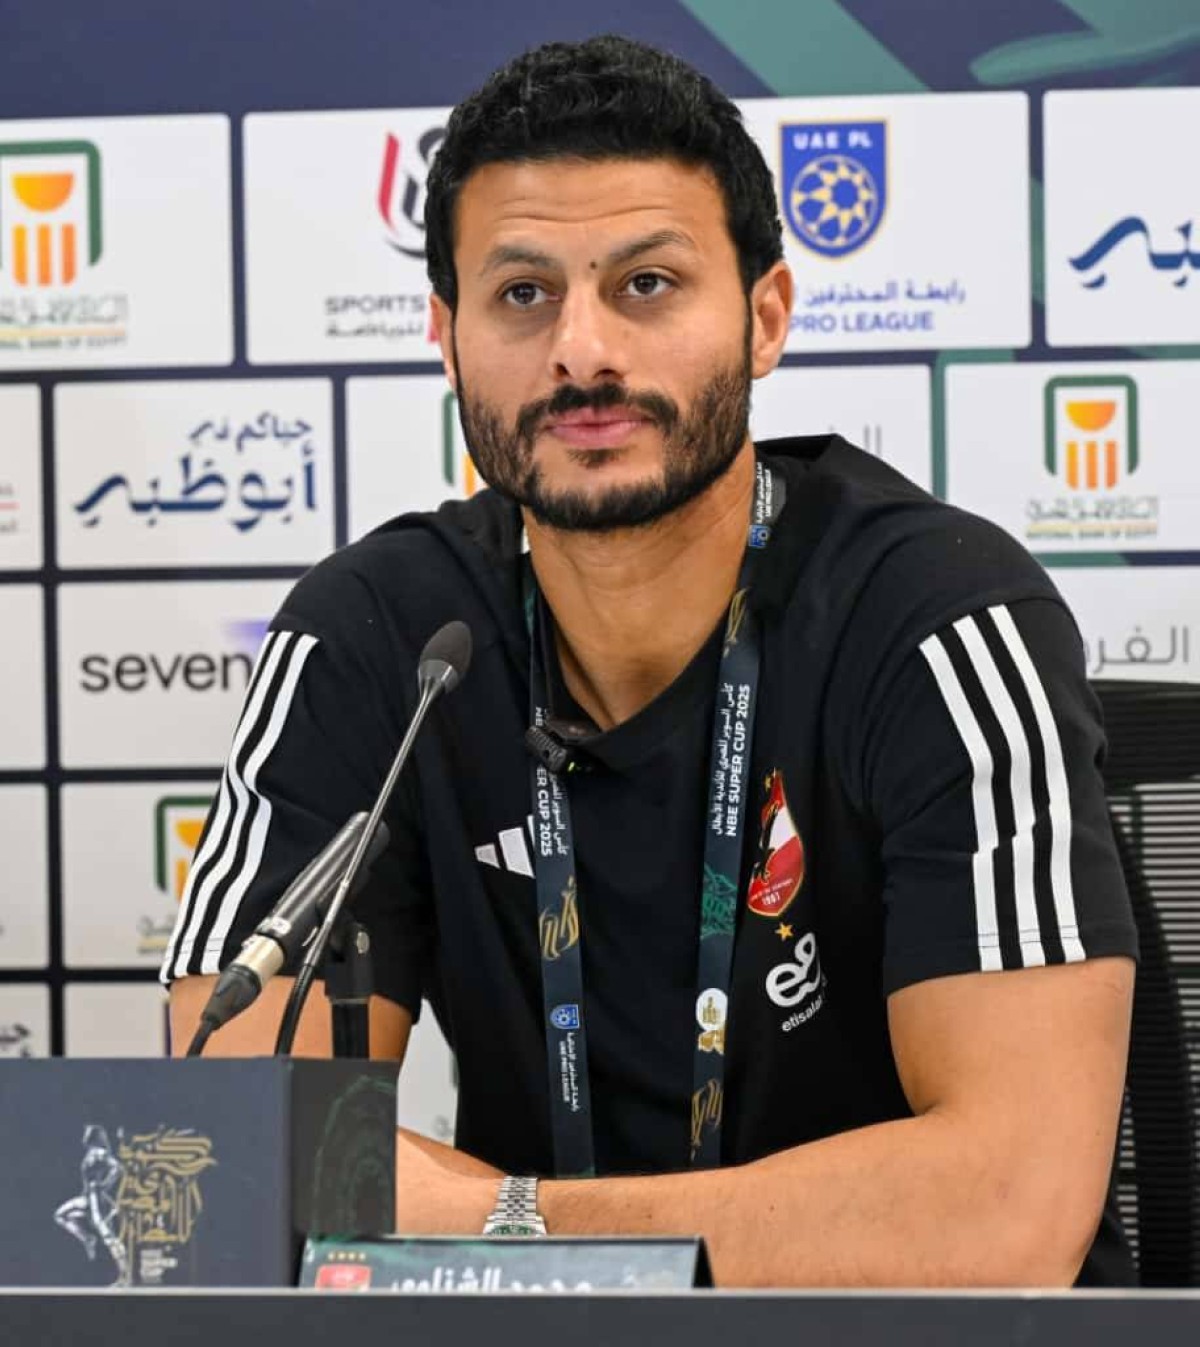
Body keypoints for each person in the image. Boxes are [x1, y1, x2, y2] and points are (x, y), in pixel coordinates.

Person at [164, 34, 1137, 1286]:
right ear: (447, 336)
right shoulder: (376, 640)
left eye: (647, 285)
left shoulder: (940, 619)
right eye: (523, 295)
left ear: (765, 318)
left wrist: (506, 1224)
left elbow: (1009, 1211)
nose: (582, 353)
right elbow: (229, 1148)